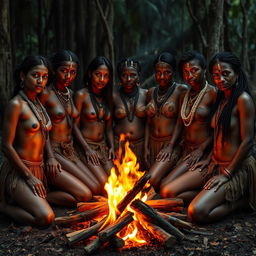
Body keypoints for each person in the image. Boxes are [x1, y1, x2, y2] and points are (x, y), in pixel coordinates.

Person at [0, 56, 91, 226]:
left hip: (41, 167)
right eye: (35, 75)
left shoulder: (38, 102)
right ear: (22, 76)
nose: (40, 81)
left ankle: (35, 198)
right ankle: (4, 206)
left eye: (45, 76)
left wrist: (50, 157)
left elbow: (45, 134)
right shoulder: (16, 104)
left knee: (83, 195)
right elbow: (6, 146)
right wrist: (29, 177)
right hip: (21, 170)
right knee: (46, 219)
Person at [187, 52, 256, 223]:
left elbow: (248, 141)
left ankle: (241, 202)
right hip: (215, 164)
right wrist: (210, 157)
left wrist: (227, 174)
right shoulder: (220, 97)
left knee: (196, 212)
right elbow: (218, 134)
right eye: (216, 75)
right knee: (173, 193)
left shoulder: (243, 99)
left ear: (237, 73)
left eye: (226, 73)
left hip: (235, 169)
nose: (220, 79)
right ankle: (212, 196)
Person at [39, 50, 103, 195]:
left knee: (97, 187)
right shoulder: (45, 93)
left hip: (70, 150)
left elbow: (73, 125)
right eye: (64, 71)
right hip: (54, 151)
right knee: (86, 193)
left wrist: (86, 149)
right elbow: (43, 129)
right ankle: (44, 196)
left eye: (73, 72)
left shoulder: (71, 94)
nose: (69, 76)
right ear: (54, 70)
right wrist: (50, 157)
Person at [160, 51, 217, 202]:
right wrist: (171, 146)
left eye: (194, 70)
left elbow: (219, 129)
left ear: (204, 69)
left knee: (168, 192)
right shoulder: (185, 94)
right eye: (185, 72)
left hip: (204, 154)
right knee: (164, 186)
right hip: (188, 152)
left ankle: (208, 194)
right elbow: (180, 122)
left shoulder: (213, 94)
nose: (189, 76)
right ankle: (199, 190)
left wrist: (202, 149)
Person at [144, 52, 188, 188]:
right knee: (149, 180)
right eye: (158, 72)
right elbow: (148, 123)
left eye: (167, 72)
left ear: (173, 72)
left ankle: (170, 186)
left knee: (151, 180)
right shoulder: (151, 92)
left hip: (170, 145)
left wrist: (171, 146)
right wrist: (145, 147)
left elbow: (181, 123)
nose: (162, 76)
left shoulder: (181, 90)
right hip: (152, 143)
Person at [74, 56, 114, 175]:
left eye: (106, 76)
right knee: (104, 184)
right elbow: (74, 126)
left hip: (102, 148)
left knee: (116, 179)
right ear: (90, 73)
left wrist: (111, 146)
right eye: (98, 74)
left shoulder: (108, 97)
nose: (102, 79)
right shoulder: (81, 95)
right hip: (86, 146)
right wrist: (86, 149)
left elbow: (109, 128)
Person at [113, 58, 147, 169]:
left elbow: (150, 124)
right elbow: (106, 125)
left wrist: (147, 146)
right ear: (119, 77)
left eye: (133, 75)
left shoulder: (147, 94)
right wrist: (110, 146)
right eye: (124, 75)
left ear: (139, 76)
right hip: (119, 145)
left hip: (141, 146)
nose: (128, 79)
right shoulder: (113, 96)